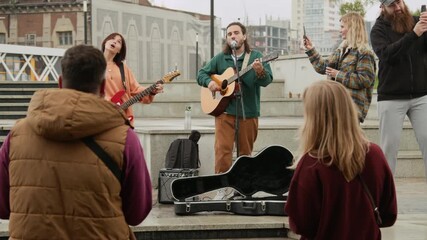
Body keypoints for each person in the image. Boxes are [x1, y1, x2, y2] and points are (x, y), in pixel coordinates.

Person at [0, 45, 152, 239]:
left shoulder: (17, 134)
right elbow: (137, 213)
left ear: (61, 82)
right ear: (103, 86)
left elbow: (3, 208)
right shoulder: (125, 139)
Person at [285, 81, 397, 240]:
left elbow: (301, 224)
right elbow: (388, 214)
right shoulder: (375, 155)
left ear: (313, 119)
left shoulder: (311, 164)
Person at [197, 22, 273, 199]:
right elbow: (201, 73)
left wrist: (260, 71)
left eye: (236, 33)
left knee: (245, 153)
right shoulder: (221, 58)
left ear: (244, 36)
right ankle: (222, 188)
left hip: (248, 112)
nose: (233, 36)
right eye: (229, 33)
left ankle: (243, 188)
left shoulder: (256, 57)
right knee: (222, 151)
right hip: (224, 112)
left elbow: (267, 80)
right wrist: (210, 83)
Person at [370, 0, 427, 177]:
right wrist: (414, 34)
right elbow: (387, 55)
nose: (398, 8)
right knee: (389, 150)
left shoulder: (417, 22)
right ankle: (385, 200)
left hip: (421, 95)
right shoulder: (378, 30)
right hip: (391, 97)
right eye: (392, 5)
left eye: (399, 2)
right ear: (383, 7)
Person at [303, 12, 376, 123]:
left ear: (352, 28)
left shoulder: (364, 53)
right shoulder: (341, 50)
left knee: (347, 140)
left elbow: (364, 80)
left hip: (351, 109)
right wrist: (310, 49)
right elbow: (323, 67)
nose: (340, 30)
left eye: (342, 27)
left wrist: (338, 75)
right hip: (335, 106)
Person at [102, 32, 163, 125]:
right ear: (105, 42)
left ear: (119, 50)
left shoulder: (122, 68)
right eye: (112, 39)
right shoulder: (92, 64)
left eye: (119, 42)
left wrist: (152, 91)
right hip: (101, 114)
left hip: (122, 118)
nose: (114, 42)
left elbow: (136, 89)